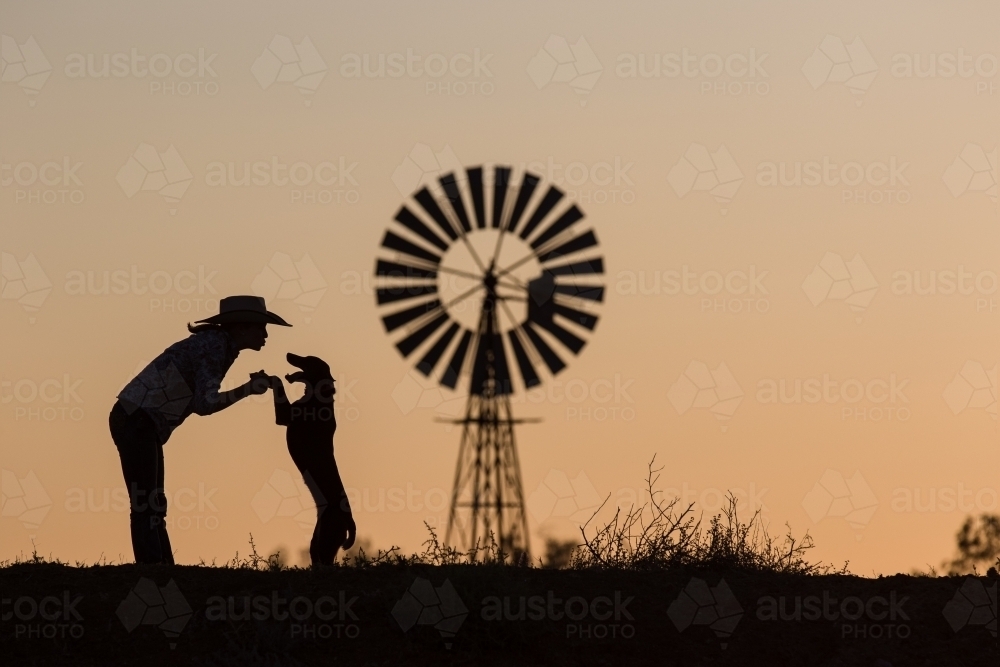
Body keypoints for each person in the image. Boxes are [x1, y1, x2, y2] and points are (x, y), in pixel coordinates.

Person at [111, 295, 290, 564]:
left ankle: (159, 568)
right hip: (137, 419)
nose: (265, 334)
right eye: (260, 327)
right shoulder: (215, 347)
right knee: (147, 503)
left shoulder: (217, 345)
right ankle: (153, 569)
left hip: (138, 419)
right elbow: (205, 404)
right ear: (241, 328)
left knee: (151, 503)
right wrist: (247, 390)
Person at [269, 353, 356, 565]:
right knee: (320, 550)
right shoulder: (319, 405)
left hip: (329, 500)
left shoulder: (315, 407)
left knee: (322, 555)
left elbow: (284, 417)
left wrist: (276, 385)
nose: (295, 362)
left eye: (306, 366)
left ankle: (325, 581)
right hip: (330, 498)